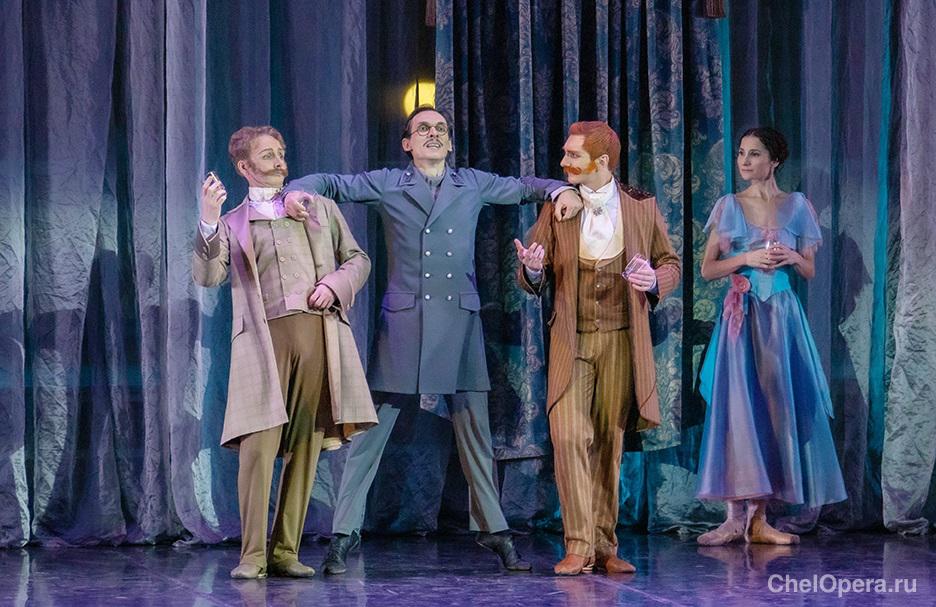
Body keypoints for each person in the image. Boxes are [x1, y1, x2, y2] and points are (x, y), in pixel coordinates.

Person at [281, 104, 583, 574]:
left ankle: (495, 530)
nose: (433, 134)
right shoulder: (389, 183)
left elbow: (527, 187)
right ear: (407, 143)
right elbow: (333, 183)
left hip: (459, 323)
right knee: (368, 434)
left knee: (476, 434)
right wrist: (295, 191)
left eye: (441, 128)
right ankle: (344, 532)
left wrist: (562, 189)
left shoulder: (471, 184)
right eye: (423, 128)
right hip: (404, 322)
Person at [192, 126, 377, 579]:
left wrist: (334, 285)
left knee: (305, 445)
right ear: (244, 167)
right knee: (258, 447)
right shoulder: (233, 222)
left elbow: (358, 260)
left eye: (280, 152)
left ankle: (285, 552)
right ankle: (252, 555)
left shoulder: (318, 207)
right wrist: (209, 221)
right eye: (267, 155)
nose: (278, 161)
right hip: (263, 341)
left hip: (317, 334)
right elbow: (209, 276)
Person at [515, 121, 681, 575]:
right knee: (569, 437)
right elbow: (532, 271)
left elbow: (670, 262)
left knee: (608, 441)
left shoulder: (641, 207)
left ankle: (605, 546)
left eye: (573, 156)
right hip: (573, 341)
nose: (564, 162)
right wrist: (533, 269)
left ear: (602, 161)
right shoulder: (558, 208)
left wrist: (655, 280)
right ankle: (578, 544)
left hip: (622, 340)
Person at [695, 126, 846, 546]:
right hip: (741, 316)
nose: (744, 161)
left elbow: (809, 270)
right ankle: (732, 518)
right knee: (737, 404)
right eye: (741, 153)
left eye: (754, 154)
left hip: (780, 317)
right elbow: (708, 269)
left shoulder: (797, 206)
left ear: (774, 160)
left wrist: (792, 255)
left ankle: (760, 519)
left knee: (776, 407)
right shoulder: (729, 206)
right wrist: (745, 257)